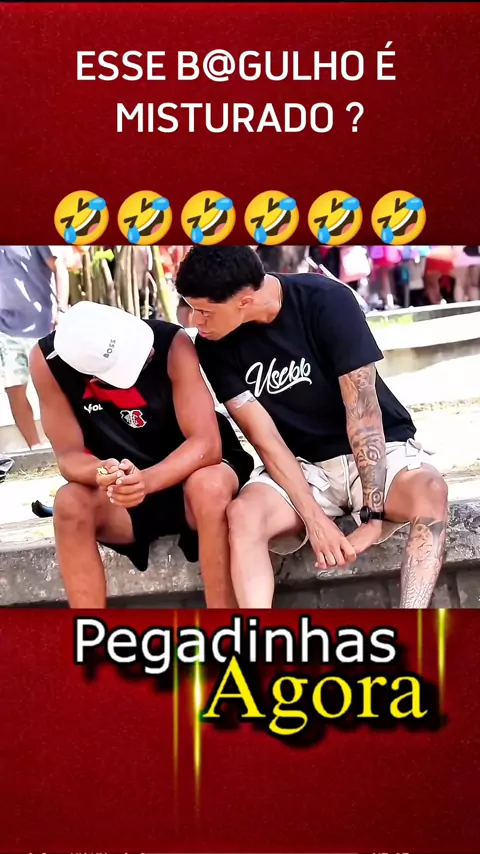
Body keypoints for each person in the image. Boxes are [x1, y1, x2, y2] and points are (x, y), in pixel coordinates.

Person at [174, 246, 449, 610]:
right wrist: (315, 520)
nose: (196, 322)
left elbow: (363, 414)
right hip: (302, 467)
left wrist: (373, 515)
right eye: (192, 309)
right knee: (243, 515)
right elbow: (265, 439)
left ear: (245, 301)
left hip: (377, 454)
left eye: (205, 311)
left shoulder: (328, 300)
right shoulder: (213, 346)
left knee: (431, 490)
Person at [30, 300, 254, 609]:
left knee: (210, 486)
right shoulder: (46, 362)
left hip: (191, 477)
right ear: (94, 378)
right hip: (123, 496)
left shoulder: (171, 342)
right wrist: (102, 472)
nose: (147, 353)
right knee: (68, 503)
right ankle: (90, 633)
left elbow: (206, 444)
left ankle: (223, 626)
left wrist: (146, 481)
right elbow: (68, 456)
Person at [0, 246, 70, 449]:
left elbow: (59, 267)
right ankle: (35, 447)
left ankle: (66, 444)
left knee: (56, 387)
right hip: (5, 329)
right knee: (14, 388)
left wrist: (62, 310)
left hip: (43, 325)